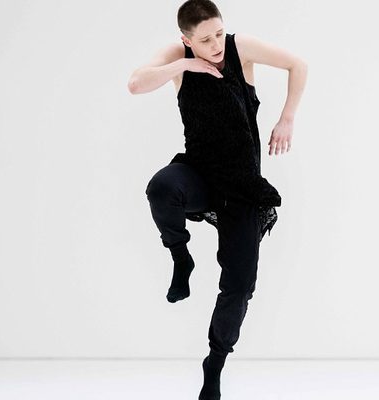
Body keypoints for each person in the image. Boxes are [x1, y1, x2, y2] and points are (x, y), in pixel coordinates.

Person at [127, 1, 307, 398]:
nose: (215, 44)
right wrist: (184, 66)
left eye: (218, 33)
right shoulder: (180, 57)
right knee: (161, 188)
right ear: (186, 40)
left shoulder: (240, 48)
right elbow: (136, 84)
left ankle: (215, 362)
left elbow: (298, 64)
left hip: (242, 187)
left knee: (240, 285)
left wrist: (287, 117)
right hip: (199, 174)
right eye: (204, 40)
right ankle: (180, 256)